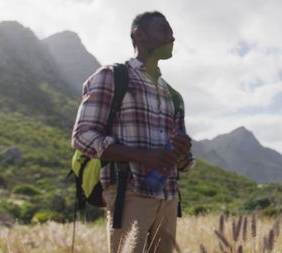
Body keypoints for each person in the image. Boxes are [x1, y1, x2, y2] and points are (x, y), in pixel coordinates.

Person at [72, 11, 194, 253]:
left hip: (169, 198)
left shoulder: (173, 95)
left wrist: (183, 152)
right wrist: (141, 155)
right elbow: (82, 136)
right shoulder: (112, 76)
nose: (172, 37)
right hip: (128, 192)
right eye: (164, 30)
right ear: (139, 35)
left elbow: (186, 164)